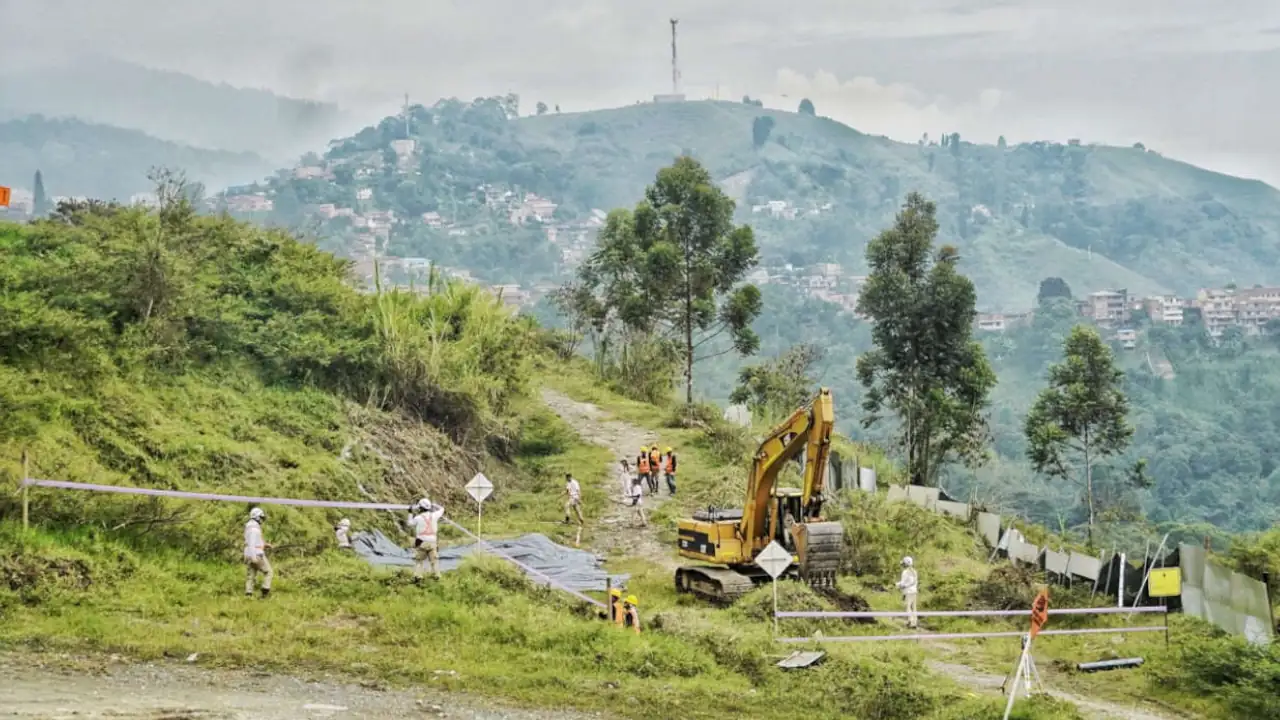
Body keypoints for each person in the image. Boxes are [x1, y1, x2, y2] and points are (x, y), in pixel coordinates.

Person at [408, 497, 445, 581]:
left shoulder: (418, 518)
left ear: (420, 508)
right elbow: (442, 509)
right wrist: (435, 505)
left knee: (419, 560)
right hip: (433, 542)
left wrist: (410, 512)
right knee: (434, 561)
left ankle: (418, 577)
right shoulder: (435, 515)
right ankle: (436, 576)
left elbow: (409, 523)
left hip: (421, 542)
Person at [243, 507, 273, 598]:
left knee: (251, 575)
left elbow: (254, 541)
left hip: (248, 554)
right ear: (257, 517)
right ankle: (265, 592)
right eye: (261, 517)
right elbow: (252, 543)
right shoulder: (254, 529)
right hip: (256, 554)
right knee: (268, 572)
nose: (262, 520)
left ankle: (248, 595)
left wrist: (266, 544)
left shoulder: (249, 527)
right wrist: (254, 557)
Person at [896, 556, 919, 629]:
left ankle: (912, 623)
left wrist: (898, 585)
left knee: (908, 607)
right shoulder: (914, 571)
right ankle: (913, 622)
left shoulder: (906, 572)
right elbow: (912, 582)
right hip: (914, 591)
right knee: (913, 607)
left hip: (908, 592)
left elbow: (904, 583)